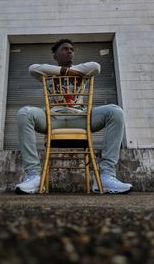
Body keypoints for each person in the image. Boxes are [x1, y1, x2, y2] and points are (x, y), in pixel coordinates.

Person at [15, 38, 132, 194]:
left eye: (71, 49)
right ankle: (34, 176)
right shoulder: (47, 71)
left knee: (115, 111)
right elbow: (32, 68)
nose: (69, 51)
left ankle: (106, 176)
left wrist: (71, 71)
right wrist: (64, 71)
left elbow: (96, 67)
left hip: (80, 118)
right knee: (24, 113)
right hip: (52, 119)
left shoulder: (82, 68)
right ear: (55, 56)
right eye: (64, 49)